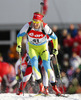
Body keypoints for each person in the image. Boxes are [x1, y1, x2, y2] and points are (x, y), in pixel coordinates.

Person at [16, 12, 61, 95]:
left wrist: (55, 48)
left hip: (43, 49)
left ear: (41, 21)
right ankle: (41, 86)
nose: (35, 24)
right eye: (34, 21)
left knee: (47, 68)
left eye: (37, 22)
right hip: (32, 49)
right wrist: (18, 45)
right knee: (34, 67)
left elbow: (54, 38)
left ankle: (55, 87)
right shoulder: (28, 26)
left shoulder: (45, 27)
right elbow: (19, 35)